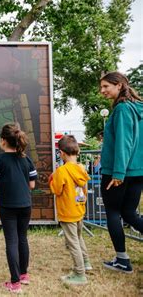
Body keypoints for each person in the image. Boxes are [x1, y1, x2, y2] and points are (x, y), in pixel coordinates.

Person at [99, 71, 143, 274]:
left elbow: (124, 142)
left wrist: (117, 173)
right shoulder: (137, 108)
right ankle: (122, 259)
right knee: (129, 213)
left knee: (114, 213)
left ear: (119, 85)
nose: (102, 91)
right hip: (136, 172)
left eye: (106, 86)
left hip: (119, 172)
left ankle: (122, 260)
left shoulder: (123, 109)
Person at [0, 123, 37, 294]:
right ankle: (23, 275)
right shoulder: (27, 159)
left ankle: (14, 283)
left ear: (2, 141)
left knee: (12, 241)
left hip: (8, 206)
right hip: (26, 205)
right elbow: (32, 184)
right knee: (22, 238)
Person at [49, 135, 92, 285]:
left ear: (61, 153)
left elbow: (56, 190)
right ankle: (86, 262)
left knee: (73, 243)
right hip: (79, 209)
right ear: (77, 151)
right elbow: (85, 190)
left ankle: (79, 274)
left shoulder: (61, 171)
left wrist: (52, 180)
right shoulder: (81, 168)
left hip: (67, 212)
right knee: (78, 238)